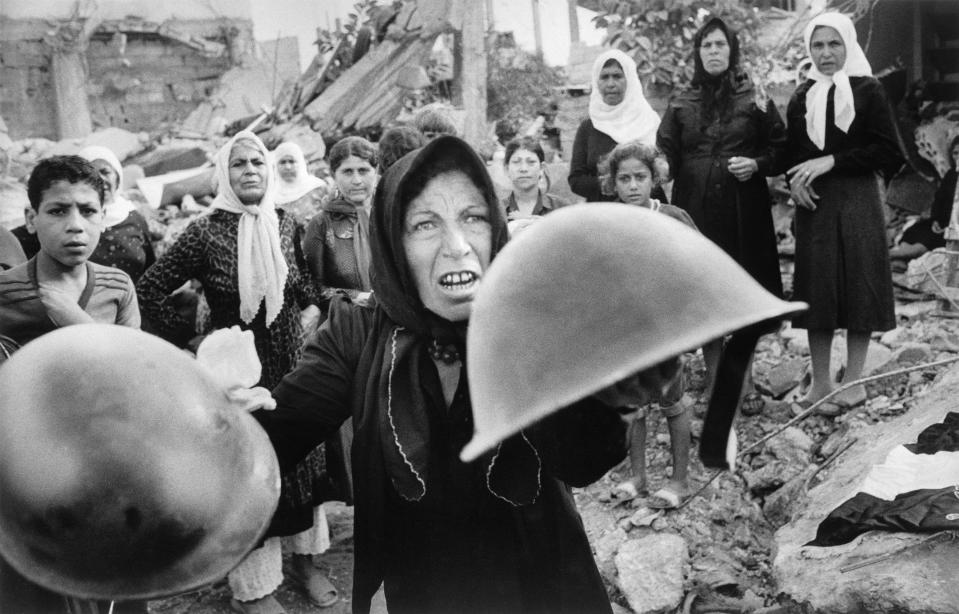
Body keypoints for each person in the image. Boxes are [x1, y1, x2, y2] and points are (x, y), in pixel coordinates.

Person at [253, 135, 667, 614]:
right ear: (391, 240)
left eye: (472, 217)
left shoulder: (531, 323)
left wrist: (610, 395)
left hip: (536, 576)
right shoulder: (358, 331)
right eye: (425, 224)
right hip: (426, 582)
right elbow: (278, 434)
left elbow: (582, 459)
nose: (456, 246)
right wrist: (213, 424)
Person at [135, 131, 336, 613]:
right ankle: (257, 588)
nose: (250, 171)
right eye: (240, 164)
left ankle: (306, 562)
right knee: (248, 472)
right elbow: (151, 289)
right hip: (239, 379)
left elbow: (306, 286)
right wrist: (189, 349)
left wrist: (317, 309)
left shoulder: (285, 223)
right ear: (225, 174)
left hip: (292, 367)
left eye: (257, 163)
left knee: (301, 466)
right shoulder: (206, 231)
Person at [0, 155, 142, 614]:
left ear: (105, 215)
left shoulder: (117, 287)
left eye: (88, 210)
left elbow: (137, 379)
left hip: (103, 467)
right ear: (30, 219)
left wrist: (73, 321)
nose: (76, 225)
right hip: (26, 477)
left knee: (110, 587)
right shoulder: (5, 295)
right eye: (59, 211)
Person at [657, 17, 787, 412]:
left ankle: (744, 382)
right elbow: (665, 155)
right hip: (696, 212)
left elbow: (781, 148)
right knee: (704, 292)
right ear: (698, 53)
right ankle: (715, 380)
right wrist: (658, 169)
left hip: (742, 211)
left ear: (732, 51)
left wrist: (757, 164)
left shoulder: (756, 97)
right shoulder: (681, 102)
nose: (714, 51)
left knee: (742, 289)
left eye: (720, 45)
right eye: (707, 45)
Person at [785, 12, 903, 411]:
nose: (826, 53)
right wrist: (794, 182)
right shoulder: (803, 95)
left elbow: (889, 151)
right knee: (817, 288)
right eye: (817, 45)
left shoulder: (868, 90)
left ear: (849, 45)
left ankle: (853, 383)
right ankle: (820, 384)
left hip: (857, 198)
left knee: (859, 284)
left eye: (834, 44)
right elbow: (794, 154)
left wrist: (832, 161)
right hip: (815, 205)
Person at [598, 140, 693, 507]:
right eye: (624, 179)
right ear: (613, 183)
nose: (632, 186)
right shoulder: (609, 222)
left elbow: (698, 266)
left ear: (655, 179)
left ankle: (679, 480)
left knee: (672, 399)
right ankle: (636, 477)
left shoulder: (672, 217)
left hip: (666, 327)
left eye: (640, 177)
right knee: (632, 403)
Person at [569, 48, 662, 203]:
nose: (610, 84)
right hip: (603, 213)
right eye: (604, 77)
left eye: (617, 76)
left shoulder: (648, 121)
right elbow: (576, 180)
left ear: (630, 79)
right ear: (596, 82)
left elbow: (661, 171)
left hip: (647, 212)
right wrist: (615, 184)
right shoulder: (588, 127)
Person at [301, 136, 377, 315]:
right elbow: (313, 287)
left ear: (376, 171)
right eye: (348, 172)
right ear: (334, 175)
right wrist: (355, 297)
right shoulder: (321, 224)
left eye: (363, 170)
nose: (357, 180)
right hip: (348, 324)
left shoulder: (389, 215)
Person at [77, 146, 156, 282]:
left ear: (117, 177)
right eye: (91, 174)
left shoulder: (133, 217)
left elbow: (151, 268)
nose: (100, 179)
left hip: (135, 300)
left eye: (105, 172)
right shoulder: (74, 220)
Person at [890, 135, 959, 262]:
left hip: (954, 229)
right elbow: (939, 200)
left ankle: (898, 256)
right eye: (955, 153)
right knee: (916, 232)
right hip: (940, 224)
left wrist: (949, 227)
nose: (958, 157)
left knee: (926, 244)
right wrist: (936, 220)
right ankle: (901, 256)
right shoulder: (951, 176)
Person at [501, 136, 570, 236]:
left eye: (531, 162)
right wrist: (509, 240)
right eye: (516, 162)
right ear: (506, 169)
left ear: (542, 168)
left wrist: (549, 227)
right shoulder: (496, 211)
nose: (524, 169)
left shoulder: (561, 208)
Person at [273, 141, 330, 226]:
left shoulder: (319, 188)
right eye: (282, 162)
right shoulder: (271, 196)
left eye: (292, 161)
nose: (288, 167)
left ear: (301, 163)